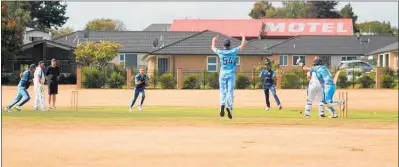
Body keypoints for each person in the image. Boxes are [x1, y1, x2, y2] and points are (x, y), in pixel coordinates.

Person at [211, 33, 246, 119]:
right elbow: (242, 46)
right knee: (230, 91)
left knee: (223, 91)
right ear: (229, 45)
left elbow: (213, 48)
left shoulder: (220, 52)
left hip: (222, 74)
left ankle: (222, 104)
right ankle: (229, 107)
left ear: (223, 45)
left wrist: (214, 40)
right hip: (231, 73)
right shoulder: (233, 51)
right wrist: (243, 37)